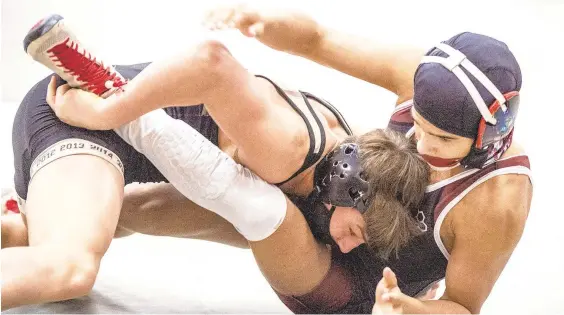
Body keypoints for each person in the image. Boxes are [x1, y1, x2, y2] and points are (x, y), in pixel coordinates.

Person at [2, 13, 429, 312]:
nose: (347, 247)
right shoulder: (288, 150)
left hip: (102, 147)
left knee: (41, 243)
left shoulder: (332, 173)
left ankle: (17, 220)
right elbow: (212, 62)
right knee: (69, 268)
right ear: (345, 182)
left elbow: (148, 210)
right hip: (82, 118)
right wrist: (111, 112)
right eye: (355, 231)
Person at [198, 4, 534, 314]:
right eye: (417, 124)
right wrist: (264, 22)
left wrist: (403, 307)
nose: (423, 145)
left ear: (488, 138)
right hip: (332, 215)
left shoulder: (497, 201)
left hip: (351, 287)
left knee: (260, 207)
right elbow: (318, 40)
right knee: (158, 205)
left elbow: (462, 308)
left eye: (444, 139)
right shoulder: (422, 74)